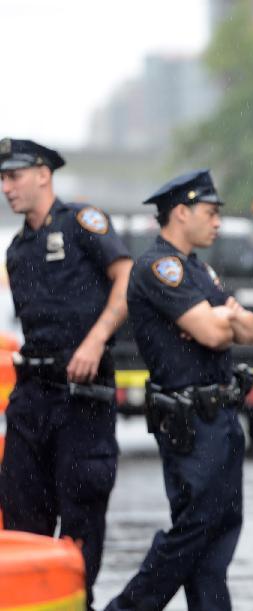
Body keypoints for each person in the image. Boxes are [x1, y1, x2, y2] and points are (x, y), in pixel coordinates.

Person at [104, 170, 253, 611]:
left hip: (221, 417)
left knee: (220, 533)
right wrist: (222, 318)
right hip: (190, 422)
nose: (216, 222)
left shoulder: (198, 268)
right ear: (180, 212)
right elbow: (214, 333)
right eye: (210, 213)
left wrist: (223, 319)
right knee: (196, 528)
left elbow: (248, 328)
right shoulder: (159, 266)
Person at [0, 138, 132, 608]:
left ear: (43, 174)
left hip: (82, 397)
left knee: (82, 515)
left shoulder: (81, 222)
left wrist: (95, 341)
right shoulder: (17, 248)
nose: (6, 187)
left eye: (13, 176)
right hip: (31, 395)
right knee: (20, 516)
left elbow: (126, 275)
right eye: (2, 178)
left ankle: (79, 601)